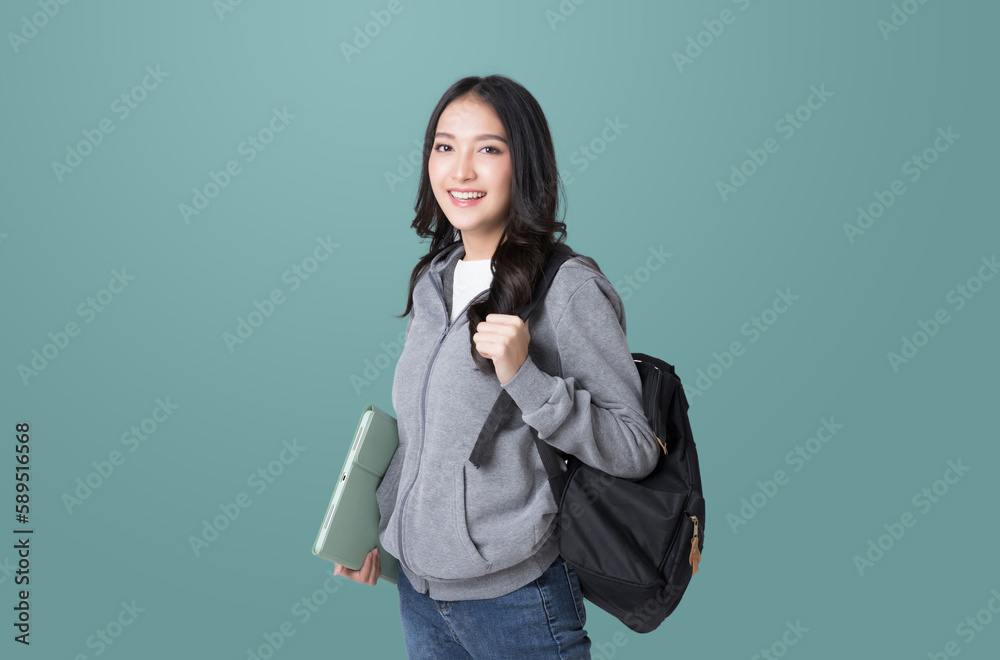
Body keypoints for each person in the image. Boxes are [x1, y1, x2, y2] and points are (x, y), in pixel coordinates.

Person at [333, 74, 660, 659]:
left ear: (524, 166)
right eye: (444, 146)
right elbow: (425, 436)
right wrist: (375, 530)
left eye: (488, 149)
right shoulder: (435, 280)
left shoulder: (568, 289)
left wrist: (526, 379)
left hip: (518, 601)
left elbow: (636, 447)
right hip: (419, 594)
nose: (460, 171)